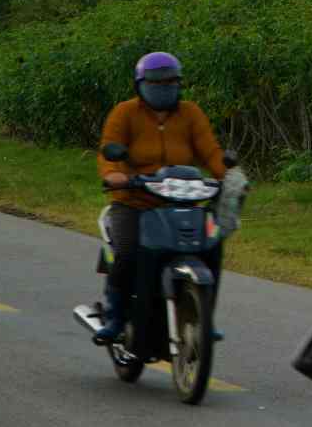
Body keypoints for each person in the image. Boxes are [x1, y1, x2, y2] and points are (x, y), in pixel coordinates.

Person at [92, 51, 229, 345]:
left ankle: (203, 316)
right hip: (135, 200)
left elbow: (211, 151)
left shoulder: (191, 113)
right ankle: (115, 316)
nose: (164, 86)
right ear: (140, 84)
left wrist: (230, 177)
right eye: (156, 81)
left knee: (212, 247)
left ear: (179, 84)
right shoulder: (124, 112)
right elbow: (109, 149)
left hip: (182, 201)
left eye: (171, 81)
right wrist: (114, 174)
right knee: (127, 253)